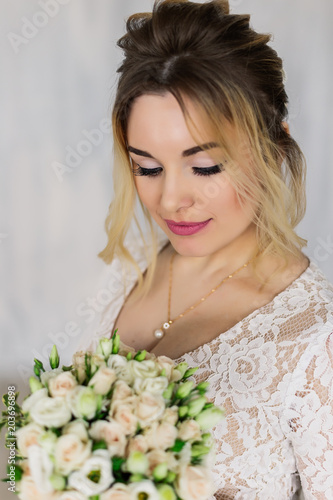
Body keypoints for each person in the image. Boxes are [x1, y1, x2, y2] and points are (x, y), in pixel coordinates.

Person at [80, 1, 333, 498]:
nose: (171, 200)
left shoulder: (317, 343)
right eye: (147, 168)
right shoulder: (130, 267)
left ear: (275, 147)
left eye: (206, 167)